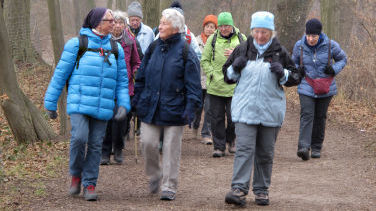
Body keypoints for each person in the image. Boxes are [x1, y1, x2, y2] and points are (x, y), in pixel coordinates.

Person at [44, 8, 130, 201]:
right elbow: (60, 75)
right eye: (110, 20)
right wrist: (50, 103)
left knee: (95, 146)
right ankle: (75, 174)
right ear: (98, 22)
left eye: (115, 21)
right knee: (79, 138)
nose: (114, 24)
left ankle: (89, 184)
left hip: (104, 106)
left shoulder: (116, 50)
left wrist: (124, 103)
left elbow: (122, 81)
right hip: (79, 103)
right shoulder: (77, 44)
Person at [222, 11, 303, 206]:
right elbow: (226, 75)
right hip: (245, 110)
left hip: (270, 111)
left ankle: (261, 190)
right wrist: (235, 68)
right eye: (257, 31)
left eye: (265, 32)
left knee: (265, 152)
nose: (260, 36)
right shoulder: (242, 49)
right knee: (244, 150)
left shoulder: (280, 52)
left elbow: (296, 77)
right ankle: (239, 190)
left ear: (271, 32)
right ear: (252, 30)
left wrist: (282, 73)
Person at [132, 8, 201, 201]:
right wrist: (136, 99)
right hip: (150, 106)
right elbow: (142, 77)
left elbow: (194, 86)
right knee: (147, 143)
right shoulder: (153, 47)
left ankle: (169, 185)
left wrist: (190, 109)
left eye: (164, 23)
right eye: (160, 23)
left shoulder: (186, 51)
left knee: (171, 148)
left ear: (175, 28)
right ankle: (155, 174)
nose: (159, 26)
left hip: (175, 109)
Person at [292, 18, 347, 160]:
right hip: (306, 85)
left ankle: (316, 147)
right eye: (308, 35)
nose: (310, 39)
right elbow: (293, 63)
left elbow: (343, 59)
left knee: (320, 117)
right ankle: (303, 147)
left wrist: (333, 69)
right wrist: (299, 70)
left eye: (314, 36)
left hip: (326, 87)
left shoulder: (330, 45)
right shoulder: (299, 46)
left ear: (319, 35)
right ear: (305, 34)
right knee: (307, 114)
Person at [201, 12, 246, 157]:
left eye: (226, 25)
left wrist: (236, 53)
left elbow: (249, 57)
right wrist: (211, 73)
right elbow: (205, 60)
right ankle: (219, 147)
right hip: (216, 86)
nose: (224, 28)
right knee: (217, 118)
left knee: (234, 117)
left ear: (232, 25)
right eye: (221, 26)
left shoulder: (242, 39)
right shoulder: (212, 39)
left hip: (235, 86)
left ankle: (231, 140)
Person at [101, 10, 141, 165]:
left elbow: (137, 61)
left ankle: (118, 149)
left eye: (121, 23)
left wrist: (137, 70)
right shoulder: (103, 41)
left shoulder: (130, 41)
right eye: (115, 22)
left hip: (125, 86)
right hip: (107, 86)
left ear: (125, 25)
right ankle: (105, 152)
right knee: (107, 120)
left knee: (121, 120)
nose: (117, 25)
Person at [193, 14, 217, 144]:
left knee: (209, 108)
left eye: (212, 27)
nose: (210, 29)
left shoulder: (217, 42)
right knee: (197, 107)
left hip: (211, 81)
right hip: (197, 80)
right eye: (208, 26)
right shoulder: (195, 41)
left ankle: (206, 133)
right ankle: (195, 124)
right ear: (204, 27)